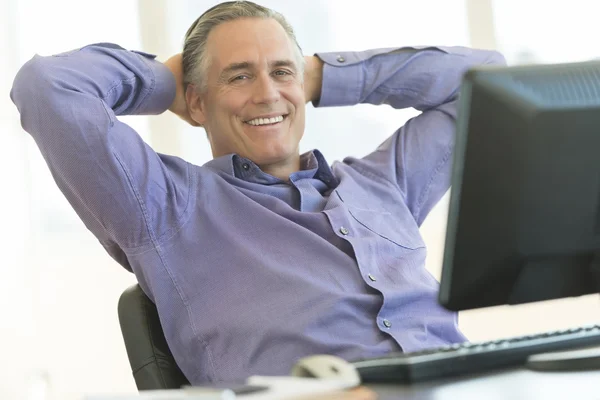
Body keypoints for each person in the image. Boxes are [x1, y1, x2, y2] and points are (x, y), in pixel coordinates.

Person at [10, 0, 505, 384]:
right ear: (198, 103)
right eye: (239, 76)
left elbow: (483, 81)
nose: (268, 93)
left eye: (280, 73)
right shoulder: (167, 207)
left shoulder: (380, 185)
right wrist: (166, 83)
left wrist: (318, 75)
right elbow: (48, 87)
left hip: (468, 383)